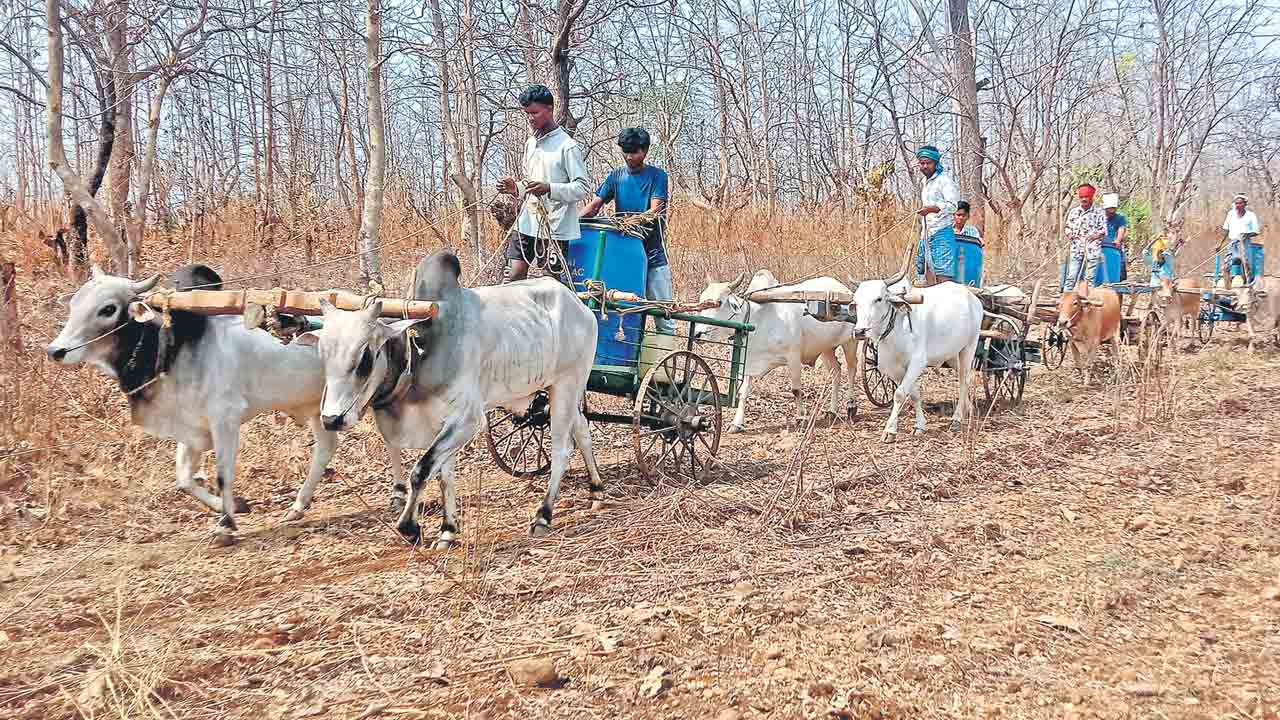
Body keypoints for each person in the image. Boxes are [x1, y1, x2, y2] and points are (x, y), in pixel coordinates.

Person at [581, 127, 674, 333]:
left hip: (652, 254)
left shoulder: (657, 176)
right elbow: (595, 204)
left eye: (634, 152)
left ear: (645, 151)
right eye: (625, 151)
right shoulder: (616, 176)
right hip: (623, 255)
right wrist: (574, 221)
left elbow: (655, 209)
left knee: (664, 315)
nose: (629, 157)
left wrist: (629, 222)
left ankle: (668, 358)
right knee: (621, 309)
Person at [496, 84, 592, 285]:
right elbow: (529, 181)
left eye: (535, 113)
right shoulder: (530, 144)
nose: (531, 118)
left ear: (549, 109)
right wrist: (515, 187)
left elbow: (582, 188)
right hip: (527, 220)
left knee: (550, 283)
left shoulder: (568, 146)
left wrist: (549, 188)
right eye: (527, 113)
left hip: (556, 226)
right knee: (513, 275)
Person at [914, 145, 960, 285]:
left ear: (936, 163)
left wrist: (933, 209)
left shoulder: (944, 181)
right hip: (926, 233)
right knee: (926, 269)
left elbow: (953, 206)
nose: (925, 166)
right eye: (922, 163)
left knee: (943, 272)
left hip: (942, 232)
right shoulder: (924, 182)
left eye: (929, 163)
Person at [1063, 183, 1107, 291]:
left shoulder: (1099, 212)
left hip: (1092, 249)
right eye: (1081, 197)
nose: (1084, 199)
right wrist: (1069, 233)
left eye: (1086, 197)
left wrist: (1096, 235)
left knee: (1089, 279)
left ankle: (1087, 302)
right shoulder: (1074, 212)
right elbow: (1067, 227)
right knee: (1071, 277)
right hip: (1076, 248)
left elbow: (1104, 229)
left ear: (1091, 198)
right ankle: (1065, 301)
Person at [1219, 194, 1261, 289]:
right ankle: (1227, 289)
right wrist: (1220, 243)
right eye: (1236, 203)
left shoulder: (1251, 215)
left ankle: (1247, 288)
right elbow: (1226, 230)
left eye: (1240, 203)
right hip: (1232, 244)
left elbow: (1256, 231)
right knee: (1225, 268)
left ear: (1245, 204)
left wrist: (1246, 235)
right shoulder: (1231, 214)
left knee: (1246, 267)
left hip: (1244, 244)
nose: (1237, 205)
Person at [1102, 193, 1128, 282]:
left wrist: (1118, 240)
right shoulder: (1099, 216)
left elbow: (1122, 228)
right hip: (1099, 245)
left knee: (1121, 267)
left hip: (1114, 246)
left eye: (1114, 209)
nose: (1112, 211)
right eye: (1110, 209)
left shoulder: (1120, 218)